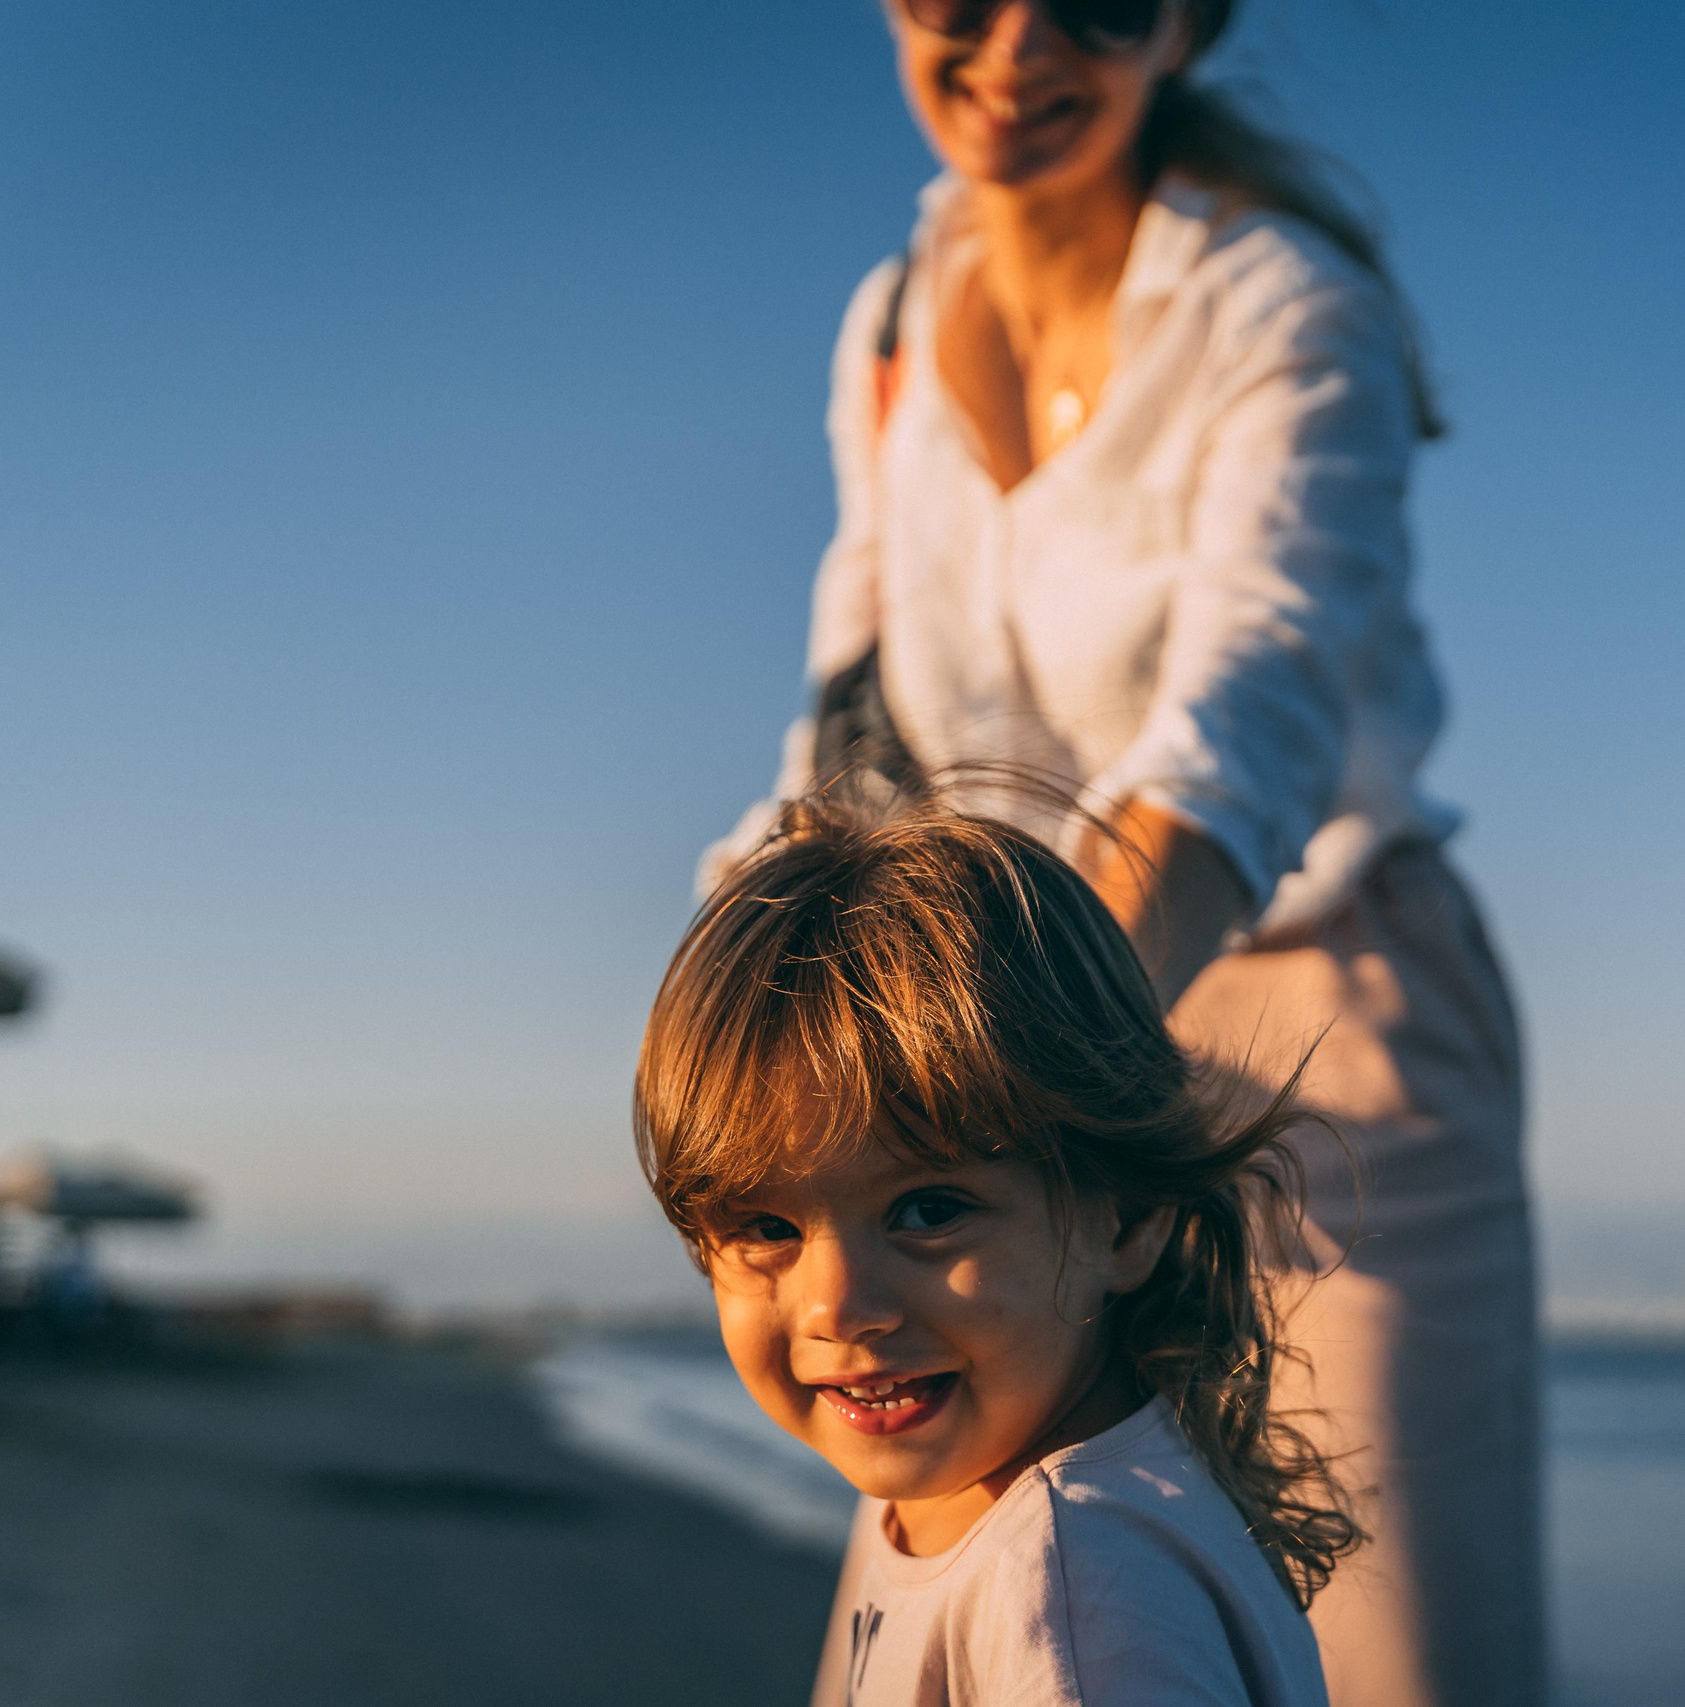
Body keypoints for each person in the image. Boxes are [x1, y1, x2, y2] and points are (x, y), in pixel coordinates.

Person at [703, 2, 1543, 1700]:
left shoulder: (1289, 308)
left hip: (1319, 1023)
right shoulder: (890, 329)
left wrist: (1010, 1063)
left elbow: (1250, 724)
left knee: (1398, 1657)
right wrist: (744, 1010)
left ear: (1187, 24)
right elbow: (854, 743)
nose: (1016, 44)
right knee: (959, 1605)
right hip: (981, 1074)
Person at [636, 799, 1350, 1707]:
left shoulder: (1073, 1597)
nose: (840, 1306)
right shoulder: (971, 1497)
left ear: (1125, 1219)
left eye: (928, 1210)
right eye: (769, 1229)